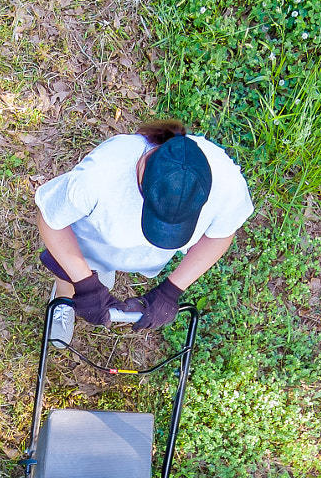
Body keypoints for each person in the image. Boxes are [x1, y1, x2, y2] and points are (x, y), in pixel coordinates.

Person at [34, 119, 253, 331]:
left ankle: (101, 270)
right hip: (89, 241)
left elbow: (221, 234)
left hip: (140, 255)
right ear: (141, 176)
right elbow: (52, 221)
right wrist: (85, 283)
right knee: (70, 279)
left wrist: (171, 291)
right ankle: (65, 299)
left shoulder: (228, 185)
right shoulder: (101, 175)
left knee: (100, 269)